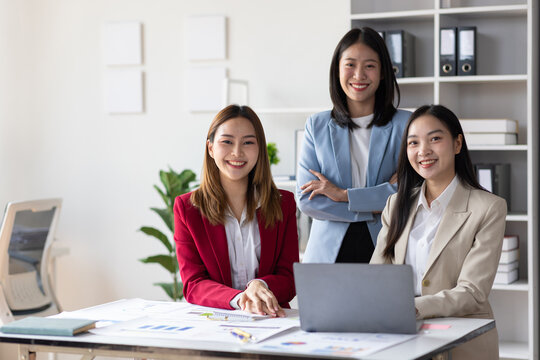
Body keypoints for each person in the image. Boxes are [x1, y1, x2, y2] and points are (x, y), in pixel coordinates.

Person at [371, 105, 506, 359]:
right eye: (413, 143)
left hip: (461, 343)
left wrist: (412, 307)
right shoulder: (396, 204)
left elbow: (473, 292)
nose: (423, 151)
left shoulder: (488, 208)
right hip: (401, 340)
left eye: (435, 139)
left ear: (457, 144)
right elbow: (378, 273)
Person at [297, 27, 411, 263]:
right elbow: (308, 200)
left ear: (382, 73)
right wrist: (378, 202)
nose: (359, 75)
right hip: (327, 255)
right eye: (350, 64)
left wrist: (341, 195)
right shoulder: (316, 125)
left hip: (386, 246)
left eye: (369, 65)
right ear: (337, 70)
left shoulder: (406, 125)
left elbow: (409, 194)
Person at [174, 105, 299, 317]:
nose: (237, 152)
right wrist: (241, 298)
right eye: (227, 142)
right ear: (211, 148)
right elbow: (194, 284)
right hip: (215, 321)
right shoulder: (187, 208)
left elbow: (289, 278)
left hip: (271, 319)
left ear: (260, 148)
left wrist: (261, 285)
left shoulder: (283, 203)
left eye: (248, 142)